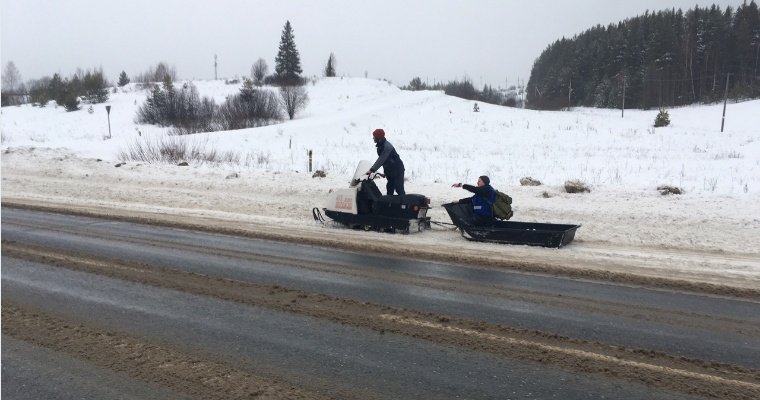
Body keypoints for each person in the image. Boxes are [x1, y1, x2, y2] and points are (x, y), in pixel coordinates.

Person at [366, 128, 406, 195]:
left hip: (397, 170)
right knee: (390, 188)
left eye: (374, 136)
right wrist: (385, 172)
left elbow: (381, 160)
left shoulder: (387, 147)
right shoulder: (380, 146)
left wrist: (372, 170)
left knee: (399, 189)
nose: (373, 138)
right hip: (390, 171)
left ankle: (405, 204)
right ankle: (390, 205)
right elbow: (386, 161)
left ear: (378, 138)